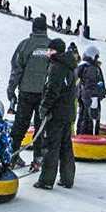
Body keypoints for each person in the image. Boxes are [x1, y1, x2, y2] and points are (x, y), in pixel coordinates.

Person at [7, 17, 50, 168]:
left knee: (20, 124)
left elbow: (16, 69)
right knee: (41, 126)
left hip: (26, 91)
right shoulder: (51, 47)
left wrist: (11, 89)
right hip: (44, 93)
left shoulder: (25, 45)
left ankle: (12, 155)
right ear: (45, 29)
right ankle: (38, 157)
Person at [35, 39, 76, 190]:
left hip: (57, 113)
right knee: (66, 146)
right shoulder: (68, 66)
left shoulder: (57, 67)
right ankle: (67, 178)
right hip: (67, 112)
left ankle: (46, 180)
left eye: (50, 50)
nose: (48, 53)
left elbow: (53, 90)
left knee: (51, 146)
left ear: (55, 52)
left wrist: (44, 107)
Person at [75, 46, 106, 135]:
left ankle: (81, 137)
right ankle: (89, 139)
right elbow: (91, 85)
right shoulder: (91, 68)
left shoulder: (83, 66)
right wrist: (96, 96)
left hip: (84, 97)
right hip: (91, 98)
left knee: (83, 118)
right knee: (91, 120)